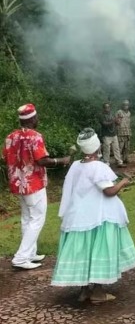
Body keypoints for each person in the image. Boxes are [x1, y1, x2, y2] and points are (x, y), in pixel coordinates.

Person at [51, 128, 135, 302]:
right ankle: (98, 292)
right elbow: (109, 191)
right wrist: (124, 181)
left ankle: (84, 291)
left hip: (77, 217)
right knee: (98, 251)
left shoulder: (76, 165)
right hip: (98, 217)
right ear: (97, 147)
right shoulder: (98, 167)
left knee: (84, 252)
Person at [3, 104, 71, 270]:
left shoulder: (11, 136)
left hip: (18, 183)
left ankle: (30, 253)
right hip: (33, 184)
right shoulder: (35, 137)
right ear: (32, 119)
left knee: (27, 218)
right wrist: (60, 161)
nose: (38, 119)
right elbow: (42, 161)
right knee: (37, 219)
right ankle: (20, 258)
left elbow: (4, 157)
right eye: (36, 117)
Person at [116, 100, 132, 165]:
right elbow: (116, 121)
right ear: (122, 105)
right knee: (120, 147)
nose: (126, 106)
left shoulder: (129, 113)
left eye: (127, 105)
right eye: (124, 105)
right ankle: (118, 160)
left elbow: (129, 123)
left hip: (128, 131)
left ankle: (125, 158)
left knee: (127, 146)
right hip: (121, 132)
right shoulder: (119, 112)